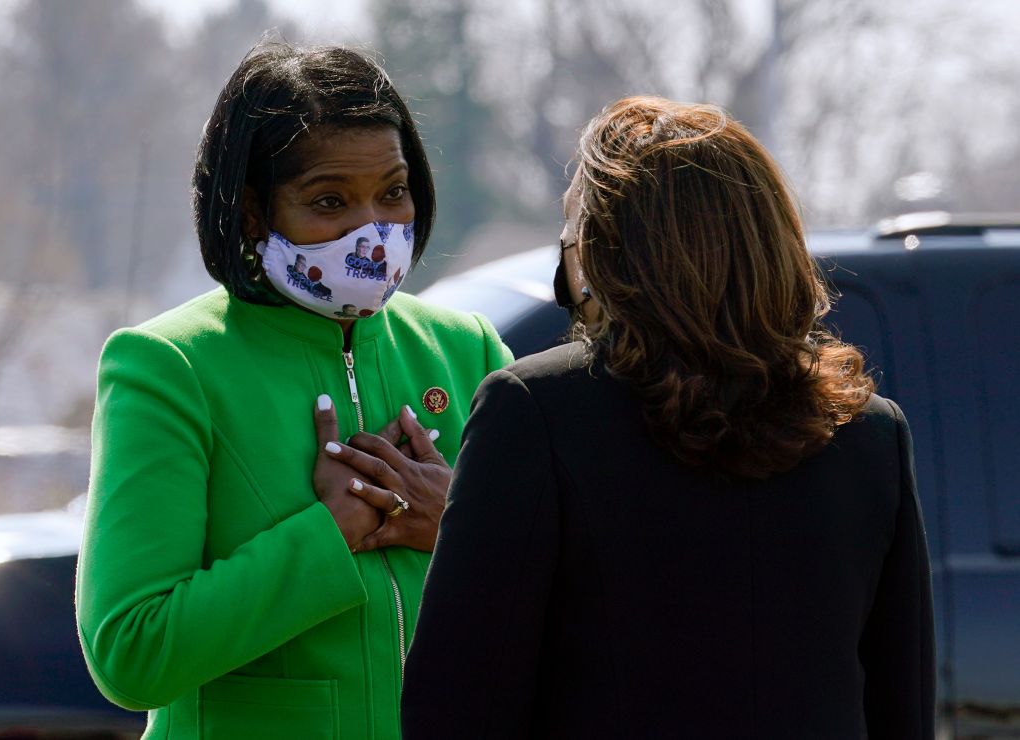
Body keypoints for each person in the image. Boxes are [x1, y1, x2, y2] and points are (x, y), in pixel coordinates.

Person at [401, 96, 935, 739]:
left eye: (571, 231)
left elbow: (454, 706)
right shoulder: (869, 434)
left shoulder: (534, 413)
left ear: (604, 256)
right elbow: (901, 710)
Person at [75, 42, 512, 739]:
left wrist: (457, 529)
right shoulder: (170, 368)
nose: (372, 230)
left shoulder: (469, 350)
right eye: (329, 201)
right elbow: (132, 653)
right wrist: (327, 536)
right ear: (252, 212)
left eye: (392, 192)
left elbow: (568, 607)